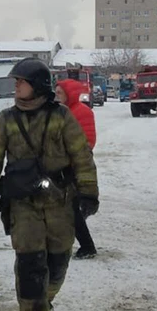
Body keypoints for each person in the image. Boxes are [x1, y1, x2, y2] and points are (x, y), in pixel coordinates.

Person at [0, 58, 99, 311]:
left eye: (21, 81)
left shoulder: (62, 117)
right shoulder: (6, 119)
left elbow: (82, 156)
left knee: (58, 261)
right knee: (31, 262)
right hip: (22, 203)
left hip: (60, 199)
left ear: (38, 86)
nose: (16, 86)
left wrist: (89, 194)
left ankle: (44, 301)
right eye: (16, 81)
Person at [55, 80, 98, 259]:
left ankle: (87, 246)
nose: (56, 95)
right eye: (55, 91)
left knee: (72, 207)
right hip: (61, 165)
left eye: (60, 92)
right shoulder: (59, 112)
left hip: (76, 166)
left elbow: (88, 140)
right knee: (65, 206)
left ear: (69, 94)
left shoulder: (82, 112)